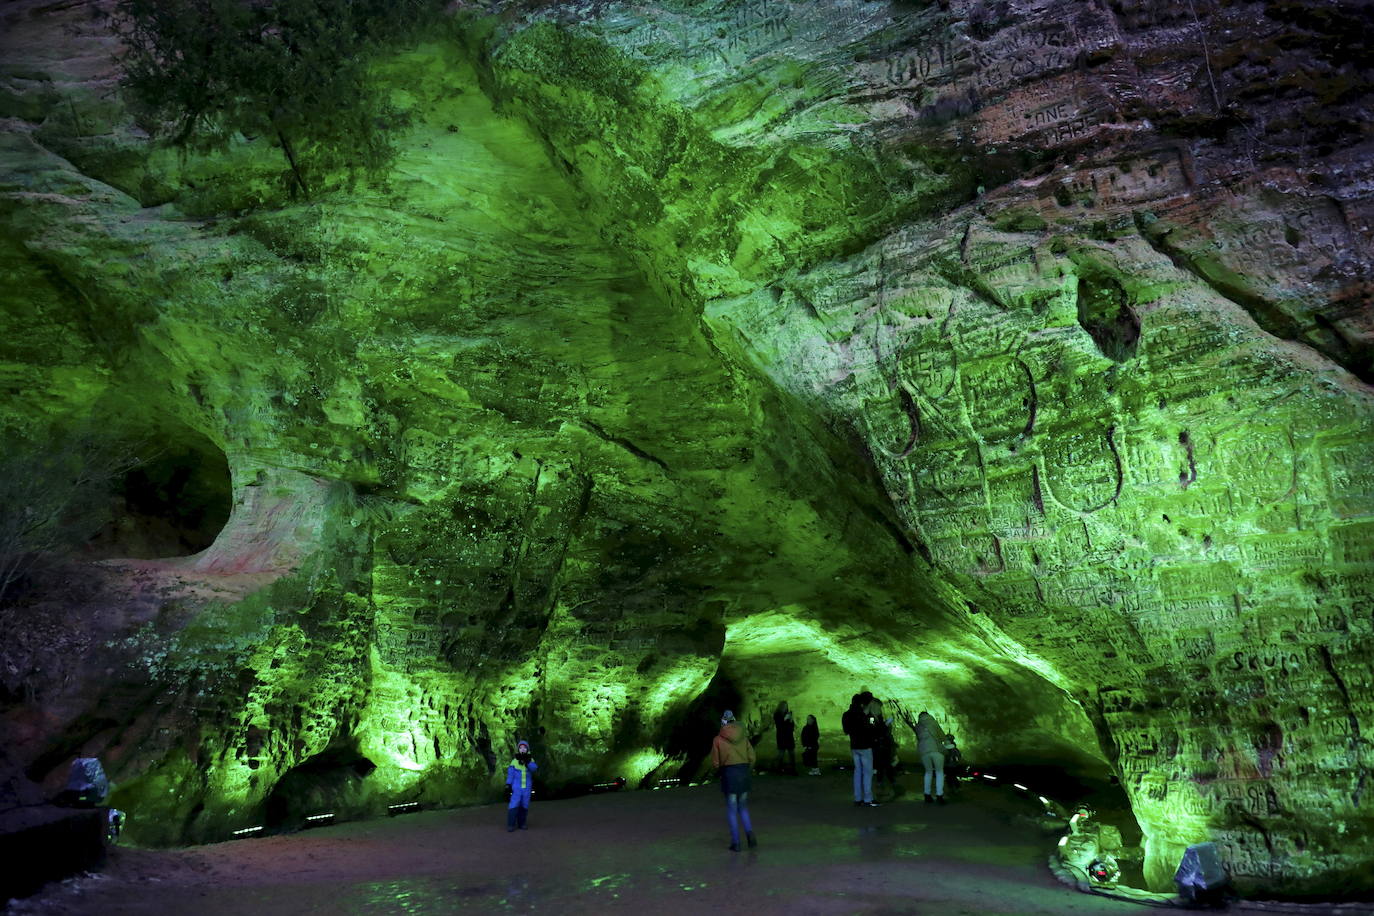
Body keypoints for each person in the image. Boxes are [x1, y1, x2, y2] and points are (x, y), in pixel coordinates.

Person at [711, 710, 758, 851]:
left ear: (723, 722)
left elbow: (715, 762)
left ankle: (736, 842)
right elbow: (752, 757)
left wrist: (720, 771)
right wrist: (747, 769)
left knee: (732, 809)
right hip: (743, 773)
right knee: (743, 807)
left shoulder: (718, 739)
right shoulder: (743, 737)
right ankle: (750, 837)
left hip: (729, 774)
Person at [842, 692, 879, 807]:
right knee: (867, 773)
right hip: (865, 746)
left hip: (854, 746)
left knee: (857, 772)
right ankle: (868, 798)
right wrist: (872, 718)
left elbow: (846, 731)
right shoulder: (865, 715)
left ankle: (858, 798)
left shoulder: (846, 714)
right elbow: (872, 729)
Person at [916, 710, 948, 804]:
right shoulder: (933, 722)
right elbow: (942, 736)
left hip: (924, 751)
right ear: (928, 715)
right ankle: (939, 795)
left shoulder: (918, 726)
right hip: (935, 749)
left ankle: (927, 795)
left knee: (928, 772)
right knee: (939, 772)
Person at [506, 740, 538, 830]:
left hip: (527, 788)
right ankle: (511, 824)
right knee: (514, 805)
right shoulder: (514, 761)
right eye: (521, 748)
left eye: (524, 748)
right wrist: (508, 784)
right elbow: (510, 774)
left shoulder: (530, 760)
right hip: (516, 788)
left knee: (524, 805)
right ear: (518, 749)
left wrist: (527, 762)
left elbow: (534, 769)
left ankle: (522, 823)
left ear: (527, 749)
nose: (522, 749)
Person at [869, 699, 898, 801]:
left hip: (883, 746)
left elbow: (881, 730)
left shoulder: (879, 717)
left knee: (885, 765)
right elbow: (873, 730)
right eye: (878, 707)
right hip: (877, 746)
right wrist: (885, 724)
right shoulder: (871, 718)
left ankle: (885, 785)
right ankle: (883, 786)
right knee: (882, 766)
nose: (879, 709)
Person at [773, 701, 796, 774]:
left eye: (786, 706)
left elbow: (792, 727)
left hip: (789, 736)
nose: (785, 707)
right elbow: (779, 726)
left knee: (792, 753)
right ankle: (778, 768)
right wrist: (784, 719)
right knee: (781, 753)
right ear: (780, 707)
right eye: (784, 706)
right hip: (781, 736)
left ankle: (793, 769)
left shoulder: (788, 713)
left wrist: (791, 720)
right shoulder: (777, 714)